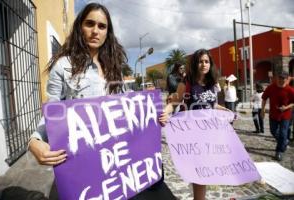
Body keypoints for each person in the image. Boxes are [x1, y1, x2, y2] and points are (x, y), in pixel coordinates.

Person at [28, 3, 175, 199]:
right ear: (80, 26)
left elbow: (127, 108)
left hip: (116, 163)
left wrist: (154, 116)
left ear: (108, 32)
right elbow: (53, 111)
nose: (95, 31)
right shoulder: (63, 66)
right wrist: (35, 140)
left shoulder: (115, 67)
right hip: (83, 162)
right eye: (90, 24)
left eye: (101, 26)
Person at [159, 49, 232, 200]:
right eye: (200, 61)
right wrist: (166, 112)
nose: (203, 64)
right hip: (193, 134)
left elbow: (212, 105)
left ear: (210, 64)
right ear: (195, 63)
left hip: (210, 133)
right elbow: (175, 102)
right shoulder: (187, 83)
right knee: (200, 170)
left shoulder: (212, 83)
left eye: (206, 61)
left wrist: (227, 111)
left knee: (205, 170)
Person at [261, 71, 294, 161]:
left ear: (287, 79)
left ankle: (279, 151)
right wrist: (262, 110)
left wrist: (286, 107)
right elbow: (264, 98)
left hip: (285, 115)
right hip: (273, 114)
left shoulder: (290, 90)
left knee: (283, 133)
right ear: (277, 78)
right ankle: (284, 142)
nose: (280, 80)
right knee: (273, 131)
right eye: (279, 78)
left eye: (283, 78)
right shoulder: (271, 87)